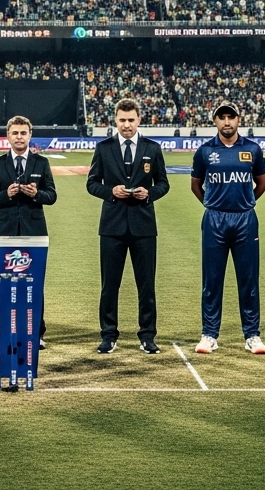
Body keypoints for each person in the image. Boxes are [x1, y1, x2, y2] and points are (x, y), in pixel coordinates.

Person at [86, 97, 169, 354]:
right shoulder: (103, 148)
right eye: (122, 120)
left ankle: (147, 335)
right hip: (112, 226)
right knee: (110, 285)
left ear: (139, 120)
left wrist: (149, 193)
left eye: (131, 120)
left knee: (146, 285)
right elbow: (91, 183)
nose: (126, 125)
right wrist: (112, 191)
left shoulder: (152, 148)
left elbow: (164, 183)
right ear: (115, 120)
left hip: (143, 226)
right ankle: (109, 335)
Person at [191, 101, 265, 356]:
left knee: (249, 280)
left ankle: (252, 336)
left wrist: (245, 203)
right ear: (215, 121)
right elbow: (196, 185)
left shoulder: (252, 149)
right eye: (222, 117)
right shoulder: (204, 151)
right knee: (212, 280)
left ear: (238, 120)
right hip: (214, 221)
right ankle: (209, 335)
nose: (227, 122)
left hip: (245, 220)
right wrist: (213, 205)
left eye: (231, 117)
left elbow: (261, 184)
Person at [0, 114, 57, 344]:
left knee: (34, 283)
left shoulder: (42, 163)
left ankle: (36, 333)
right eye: (14, 133)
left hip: (34, 232)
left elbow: (52, 196)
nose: (19, 137)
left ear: (30, 135)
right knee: (4, 283)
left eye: (23, 133)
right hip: (5, 232)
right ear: (7, 136)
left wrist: (37, 195)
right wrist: (7, 194)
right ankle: (5, 333)